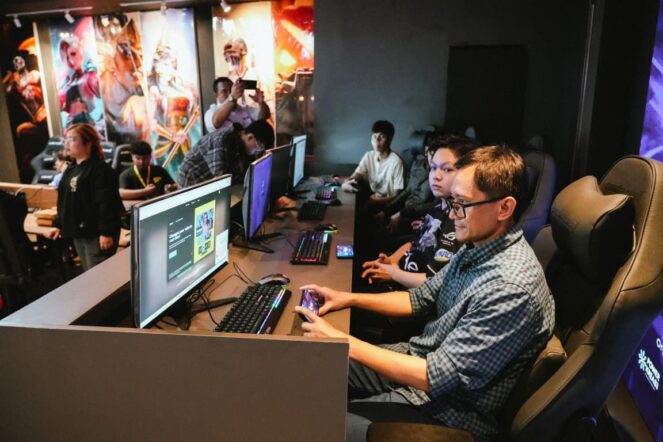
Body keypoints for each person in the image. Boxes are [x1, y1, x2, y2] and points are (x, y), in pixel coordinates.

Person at [295, 146, 555, 442]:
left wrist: (343, 341)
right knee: (308, 365)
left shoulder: (510, 288)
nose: (452, 213)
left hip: (446, 411)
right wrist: (346, 297)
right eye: (452, 202)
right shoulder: (477, 246)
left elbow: (435, 376)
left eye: (461, 204)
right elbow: (418, 299)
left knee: (313, 421)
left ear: (504, 208)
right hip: (417, 361)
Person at [361, 135, 479, 289]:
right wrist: (391, 261)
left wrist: (394, 274)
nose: (436, 176)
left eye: (447, 169)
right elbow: (416, 243)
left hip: (412, 292)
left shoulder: (458, 219)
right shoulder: (439, 207)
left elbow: (435, 283)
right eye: (433, 168)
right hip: (401, 275)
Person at [44, 124, 124, 272]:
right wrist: (58, 224)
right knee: (88, 273)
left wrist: (106, 232)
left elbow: (107, 203)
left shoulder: (101, 170)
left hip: (97, 233)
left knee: (99, 274)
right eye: (66, 139)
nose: (67, 143)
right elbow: (64, 201)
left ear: (88, 143)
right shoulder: (71, 169)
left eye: (72, 139)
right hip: (78, 231)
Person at [177, 119, 274, 188]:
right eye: (259, 146)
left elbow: (242, 176)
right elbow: (222, 179)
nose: (257, 151)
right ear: (250, 137)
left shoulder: (239, 146)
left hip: (206, 182)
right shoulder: (223, 140)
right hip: (191, 182)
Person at [343, 120, 404, 206]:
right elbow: (355, 176)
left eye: (382, 136)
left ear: (390, 139)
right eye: (374, 136)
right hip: (374, 197)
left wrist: (372, 203)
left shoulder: (397, 162)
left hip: (388, 203)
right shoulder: (369, 156)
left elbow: (396, 196)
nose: (377, 140)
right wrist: (346, 183)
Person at [204, 77, 270, 133]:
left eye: (231, 90)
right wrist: (232, 97)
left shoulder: (245, 109)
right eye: (224, 91)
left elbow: (263, 117)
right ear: (216, 95)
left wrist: (261, 103)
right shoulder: (211, 112)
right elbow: (216, 121)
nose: (229, 94)